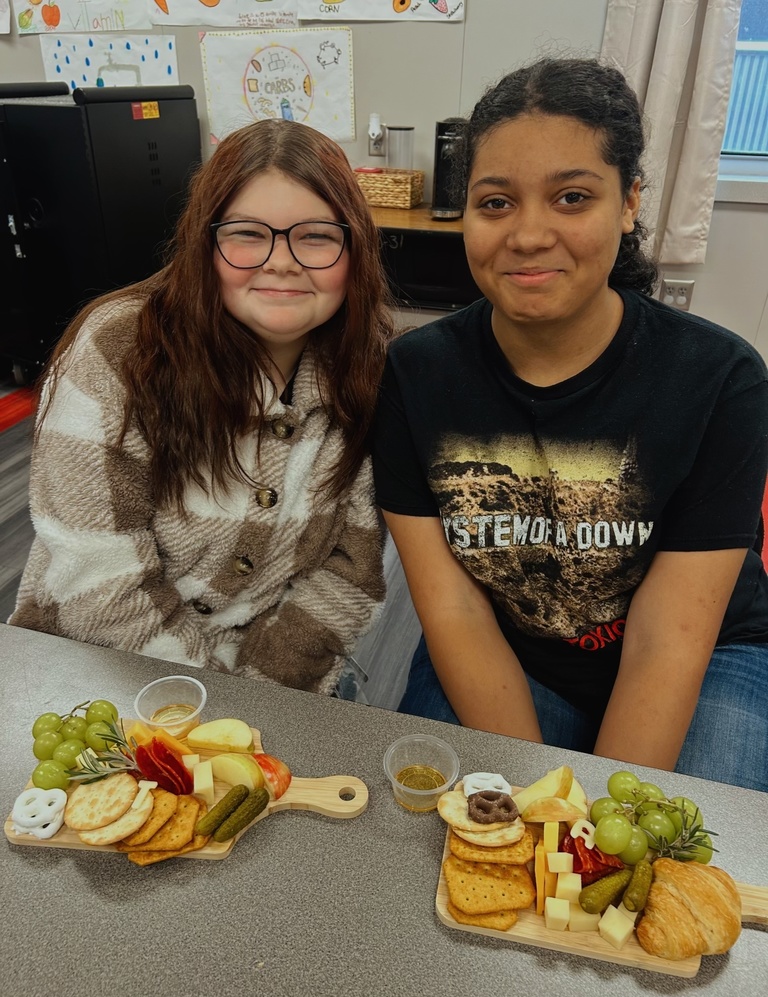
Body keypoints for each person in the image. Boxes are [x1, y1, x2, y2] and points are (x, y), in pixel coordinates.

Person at [372, 57, 768, 791]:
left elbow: (666, 641)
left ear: (628, 204)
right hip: (511, 643)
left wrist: (586, 824)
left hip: (707, 656)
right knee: (451, 856)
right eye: (495, 203)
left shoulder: (720, 380)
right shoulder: (414, 375)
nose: (527, 234)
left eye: (571, 197)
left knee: (672, 869)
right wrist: (535, 795)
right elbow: (454, 607)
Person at [11, 118, 393, 696]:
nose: (283, 261)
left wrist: (267, 699)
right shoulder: (119, 351)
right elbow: (100, 580)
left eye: (316, 236)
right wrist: (218, 712)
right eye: (247, 233)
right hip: (103, 666)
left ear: (354, 248)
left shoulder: (373, 364)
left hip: (277, 682)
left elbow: (350, 569)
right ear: (204, 241)